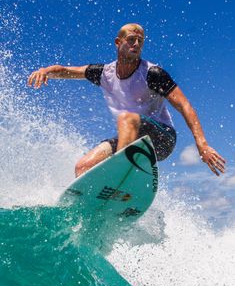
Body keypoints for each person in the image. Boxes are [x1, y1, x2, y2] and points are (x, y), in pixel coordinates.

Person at [28, 23, 226, 177]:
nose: (136, 44)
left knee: (127, 118)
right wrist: (45, 71)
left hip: (162, 138)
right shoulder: (104, 73)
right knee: (83, 166)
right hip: (130, 138)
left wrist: (202, 144)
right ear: (118, 42)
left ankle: (120, 175)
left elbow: (184, 105)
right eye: (131, 39)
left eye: (140, 41)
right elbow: (67, 71)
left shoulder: (152, 73)